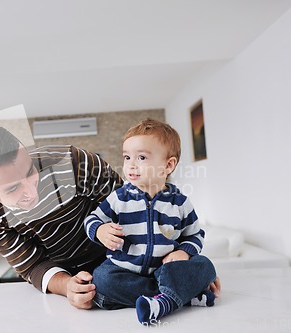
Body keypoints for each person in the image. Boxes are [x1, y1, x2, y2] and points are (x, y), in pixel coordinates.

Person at [0, 124, 123, 309]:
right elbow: (32, 264)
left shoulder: (73, 161)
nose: (31, 190)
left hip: (114, 251)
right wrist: (68, 286)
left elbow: (129, 209)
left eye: (30, 171)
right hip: (62, 269)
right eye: (13, 188)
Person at [83, 119, 218, 325]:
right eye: (127, 157)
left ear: (168, 165)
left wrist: (183, 252)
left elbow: (195, 235)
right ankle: (177, 297)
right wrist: (100, 230)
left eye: (142, 157)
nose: (131, 165)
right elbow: (91, 219)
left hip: (165, 271)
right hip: (125, 271)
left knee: (205, 265)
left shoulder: (179, 202)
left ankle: (163, 300)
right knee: (102, 278)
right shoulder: (119, 198)